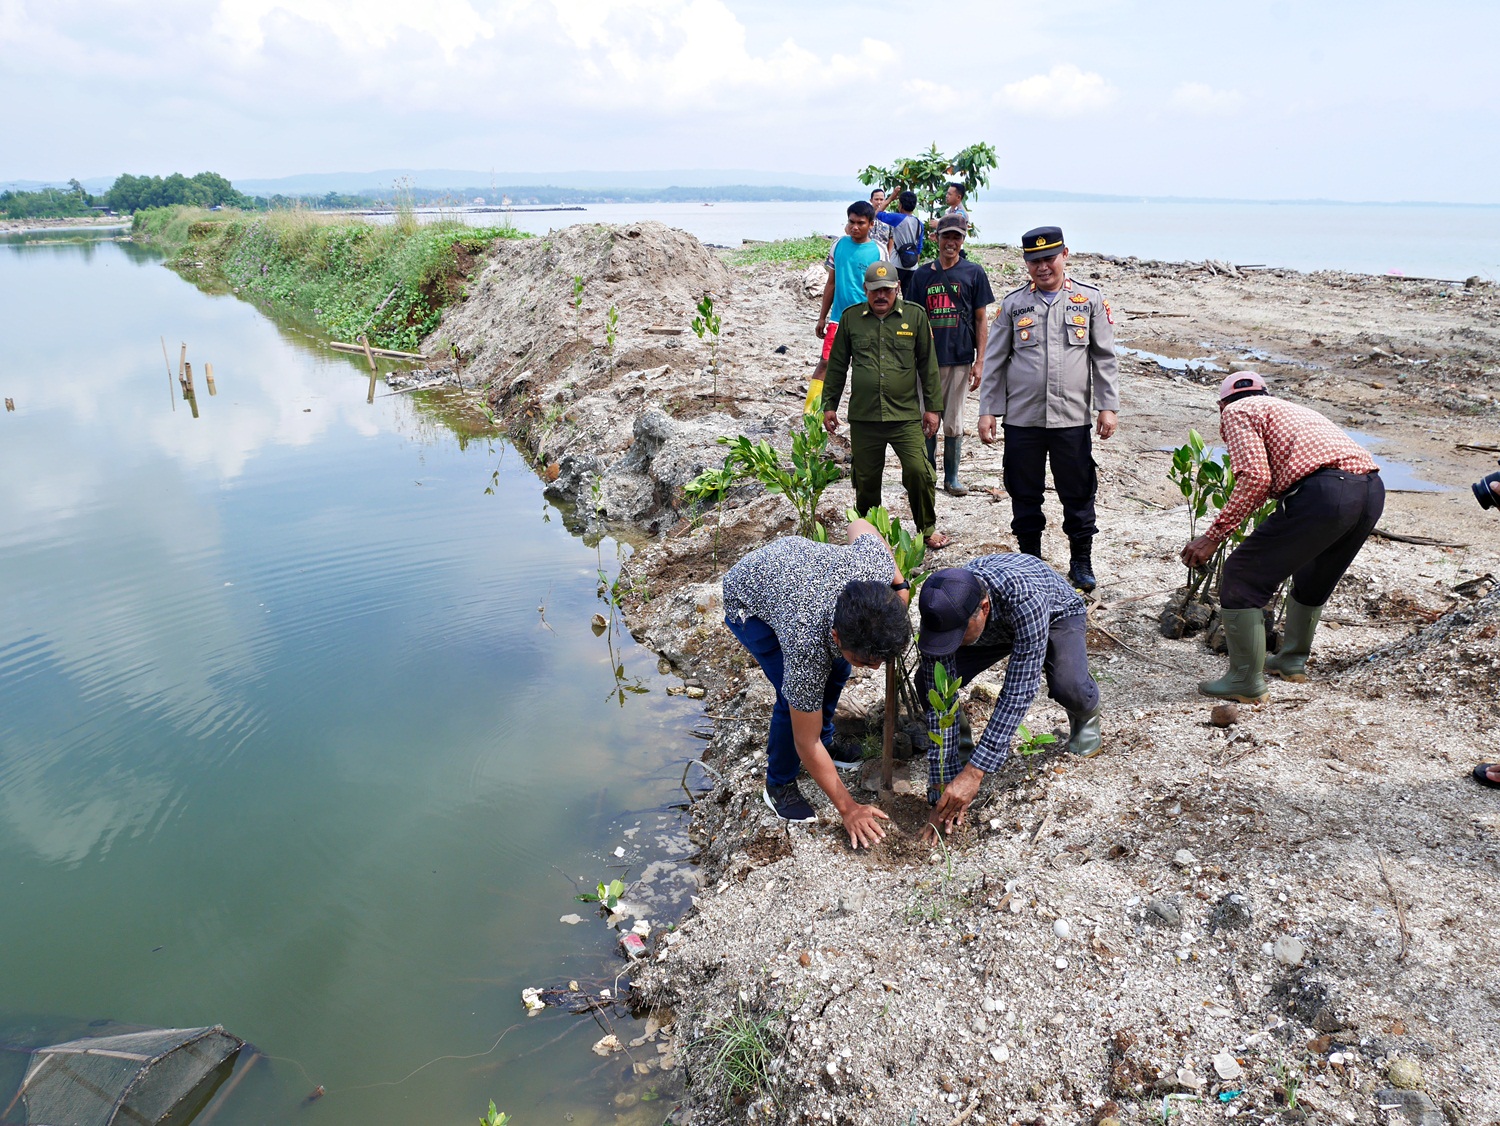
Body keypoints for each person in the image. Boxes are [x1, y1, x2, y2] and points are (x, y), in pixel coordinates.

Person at [1180, 373, 1384, 703]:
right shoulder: (1288, 409)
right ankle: (1291, 660)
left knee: (1242, 574)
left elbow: (1256, 479)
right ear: (1266, 392)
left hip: (1326, 491)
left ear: (1221, 406)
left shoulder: (1238, 411)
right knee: (1315, 572)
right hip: (1371, 490)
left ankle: (1245, 681)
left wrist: (1213, 536)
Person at [721, 519, 912, 847]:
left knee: (838, 671)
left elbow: (860, 524)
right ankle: (778, 783)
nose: (874, 668)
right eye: (867, 661)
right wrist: (848, 807)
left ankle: (829, 738)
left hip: (799, 568)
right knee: (792, 696)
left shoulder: (874, 565)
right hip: (749, 600)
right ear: (835, 636)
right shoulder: (806, 640)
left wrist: (900, 586)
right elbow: (804, 742)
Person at [917, 559, 1102, 840]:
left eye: (956, 636)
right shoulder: (942, 605)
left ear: (984, 608)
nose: (949, 645)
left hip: (1054, 614)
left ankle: (1086, 714)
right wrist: (941, 785)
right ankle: (962, 751)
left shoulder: (1025, 596)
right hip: (987, 630)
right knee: (926, 682)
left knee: (1068, 686)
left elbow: (1019, 689)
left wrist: (974, 773)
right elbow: (938, 695)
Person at [978, 225, 1120, 592]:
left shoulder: (1088, 301)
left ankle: (1081, 561)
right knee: (1024, 491)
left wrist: (1107, 406)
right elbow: (994, 362)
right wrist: (988, 410)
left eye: (1048, 258)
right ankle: (1030, 561)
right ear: (1026, 263)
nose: (1042, 267)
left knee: (1078, 491)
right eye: (1034, 261)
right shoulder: (1013, 304)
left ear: (1064, 255)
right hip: (1023, 419)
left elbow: (1103, 358)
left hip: (1071, 419)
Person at [823, 261, 948, 550]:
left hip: (904, 415)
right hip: (865, 417)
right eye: (875, 290)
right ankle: (869, 536)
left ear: (897, 289)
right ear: (866, 290)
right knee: (866, 479)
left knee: (919, 470)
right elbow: (838, 365)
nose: (881, 295)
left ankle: (926, 527)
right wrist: (830, 403)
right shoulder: (851, 318)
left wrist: (933, 408)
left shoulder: (915, 316)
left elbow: (928, 366)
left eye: (887, 290)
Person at [905, 213, 996, 497]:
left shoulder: (974, 273)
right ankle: (929, 471)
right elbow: (914, 318)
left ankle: (952, 477)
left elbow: (981, 319)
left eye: (957, 237)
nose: (951, 243)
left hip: (959, 358)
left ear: (963, 239)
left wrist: (980, 361)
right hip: (927, 360)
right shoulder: (922, 275)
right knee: (927, 417)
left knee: (955, 420)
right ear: (936, 238)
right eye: (946, 237)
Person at [805, 201, 887, 414]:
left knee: (867, 367)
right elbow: (831, 282)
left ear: (871, 224)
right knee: (825, 363)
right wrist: (822, 316)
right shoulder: (838, 245)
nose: (855, 227)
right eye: (851, 222)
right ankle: (811, 412)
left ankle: (865, 412)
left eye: (861, 223)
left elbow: (888, 289)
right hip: (838, 318)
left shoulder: (878, 251)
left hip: (868, 319)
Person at [881, 189, 925, 290]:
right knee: (908, 295)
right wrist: (914, 261)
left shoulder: (897, 218)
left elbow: (877, 214)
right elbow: (919, 246)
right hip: (912, 265)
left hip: (896, 263)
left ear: (900, 205)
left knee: (891, 291)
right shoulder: (919, 223)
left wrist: (890, 198)